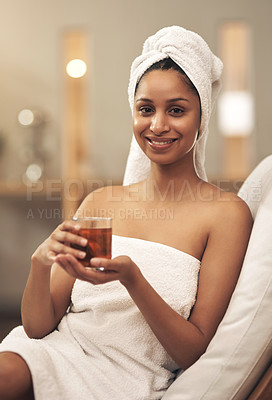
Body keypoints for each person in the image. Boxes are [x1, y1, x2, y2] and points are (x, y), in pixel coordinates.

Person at [0, 26, 252, 400]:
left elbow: (194, 349)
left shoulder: (226, 214)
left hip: (129, 378)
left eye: (177, 110)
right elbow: (38, 328)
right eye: (146, 109)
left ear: (202, 116)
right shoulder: (102, 203)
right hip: (57, 351)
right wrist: (40, 264)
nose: (158, 125)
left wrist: (133, 279)